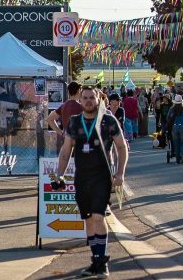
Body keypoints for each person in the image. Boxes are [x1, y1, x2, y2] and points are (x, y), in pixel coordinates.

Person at [53, 86, 129, 277]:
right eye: (84, 98)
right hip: (82, 177)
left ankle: (102, 262)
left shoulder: (108, 121)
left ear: (98, 100)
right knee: (88, 218)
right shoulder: (74, 122)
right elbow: (66, 150)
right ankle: (95, 260)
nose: (88, 101)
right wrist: (59, 176)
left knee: (98, 217)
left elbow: (121, 147)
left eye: (91, 98)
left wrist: (120, 173)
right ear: (80, 100)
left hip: (102, 177)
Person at [166, 95, 183, 164]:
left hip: (175, 127)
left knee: (175, 143)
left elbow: (168, 118)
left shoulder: (171, 109)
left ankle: (177, 160)